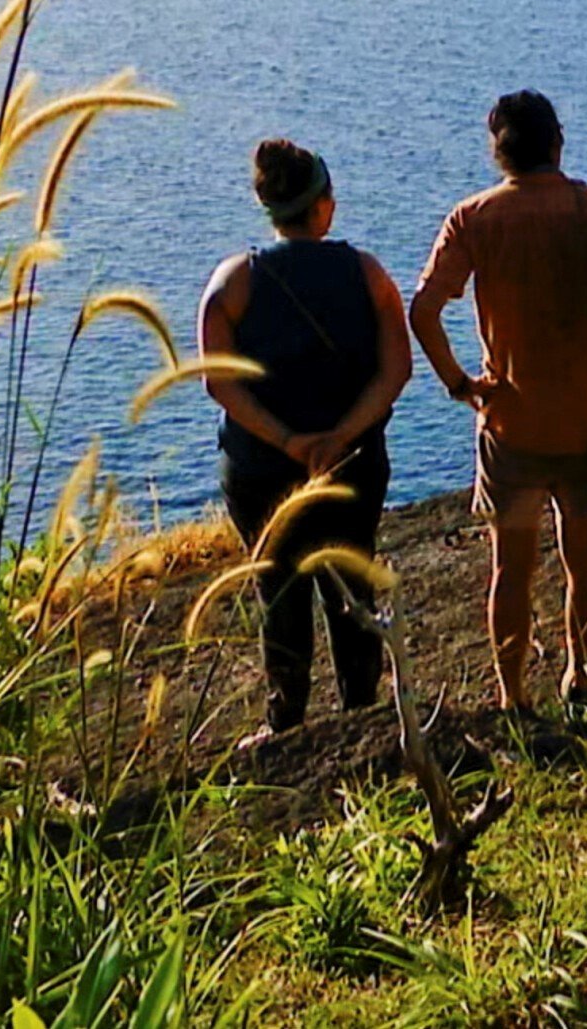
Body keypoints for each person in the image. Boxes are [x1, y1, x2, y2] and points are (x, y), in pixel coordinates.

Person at [411, 90, 587, 713]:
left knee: (511, 569)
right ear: (557, 145)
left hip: (510, 423)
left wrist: (461, 385)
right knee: (583, 558)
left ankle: (513, 697)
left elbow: (424, 310)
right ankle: (581, 676)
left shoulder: (475, 219)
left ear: (499, 152)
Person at [197, 139, 412, 746]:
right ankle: (364, 713)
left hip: (261, 471)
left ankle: (283, 722)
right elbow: (396, 369)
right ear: (324, 205)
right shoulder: (366, 273)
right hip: (352, 466)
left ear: (270, 207)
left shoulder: (235, 280)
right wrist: (339, 437)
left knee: (279, 591)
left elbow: (219, 380)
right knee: (353, 580)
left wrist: (289, 441)